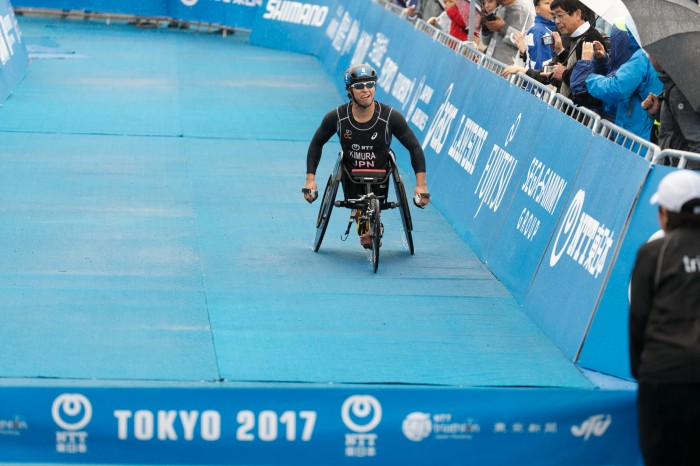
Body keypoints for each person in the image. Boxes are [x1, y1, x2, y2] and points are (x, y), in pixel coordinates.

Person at [303, 64, 430, 248]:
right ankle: (364, 229)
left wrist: (421, 186)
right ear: (349, 90)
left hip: (381, 176)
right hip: (350, 175)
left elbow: (415, 148)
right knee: (362, 221)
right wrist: (310, 180)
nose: (366, 90)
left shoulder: (390, 117)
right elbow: (316, 143)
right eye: (359, 86)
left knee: (369, 210)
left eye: (370, 85)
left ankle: (372, 223)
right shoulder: (337, 117)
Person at [629, 169, 700, 466]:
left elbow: (639, 320)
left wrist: (641, 372)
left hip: (664, 379)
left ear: (667, 213)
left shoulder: (654, 252)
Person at [570, 21, 662, 141]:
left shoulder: (641, 57)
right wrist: (602, 61)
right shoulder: (654, 53)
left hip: (631, 132)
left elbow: (616, 88)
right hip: (642, 128)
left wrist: (590, 77)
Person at [641, 55, 700, 169]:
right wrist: (659, 112)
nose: (649, 58)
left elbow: (697, 143)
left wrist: (685, 179)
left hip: (681, 171)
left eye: (651, 53)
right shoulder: (678, 82)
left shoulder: (678, 90)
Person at [547, 0, 604, 105]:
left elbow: (588, 79)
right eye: (554, 17)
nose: (557, 21)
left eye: (560, 15)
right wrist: (560, 51)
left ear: (578, 14)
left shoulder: (592, 38)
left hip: (578, 111)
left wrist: (564, 74)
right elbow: (574, 65)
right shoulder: (573, 36)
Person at [480, 0, 535, 66]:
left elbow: (526, 42)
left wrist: (503, 28)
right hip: (489, 63)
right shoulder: (500, 7)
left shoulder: (525, 11)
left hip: (507, 68)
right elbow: (486, 42)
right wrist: (486, 28)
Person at [525, 0, 556, 70]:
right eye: (547, 3)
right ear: (537, 9)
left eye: (554, 2)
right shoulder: (538, 31)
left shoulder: (555, 29)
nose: (552, 6)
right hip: (539, 78)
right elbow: (540, 66)